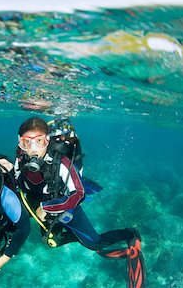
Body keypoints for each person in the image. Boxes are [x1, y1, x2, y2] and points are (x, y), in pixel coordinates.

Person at [10, 117, 145, 287]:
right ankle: (76, 236)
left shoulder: (61, 162)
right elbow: (16, 179)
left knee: (93, 243)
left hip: (64, 204)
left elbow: (79, 194)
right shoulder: (20, 157)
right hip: (35, 203)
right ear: (20, 143)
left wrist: (47, 207)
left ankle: (130, 234)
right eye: (26, 143)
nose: (33, 149)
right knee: (52, 242)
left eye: (39, 141)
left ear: (48, 140)